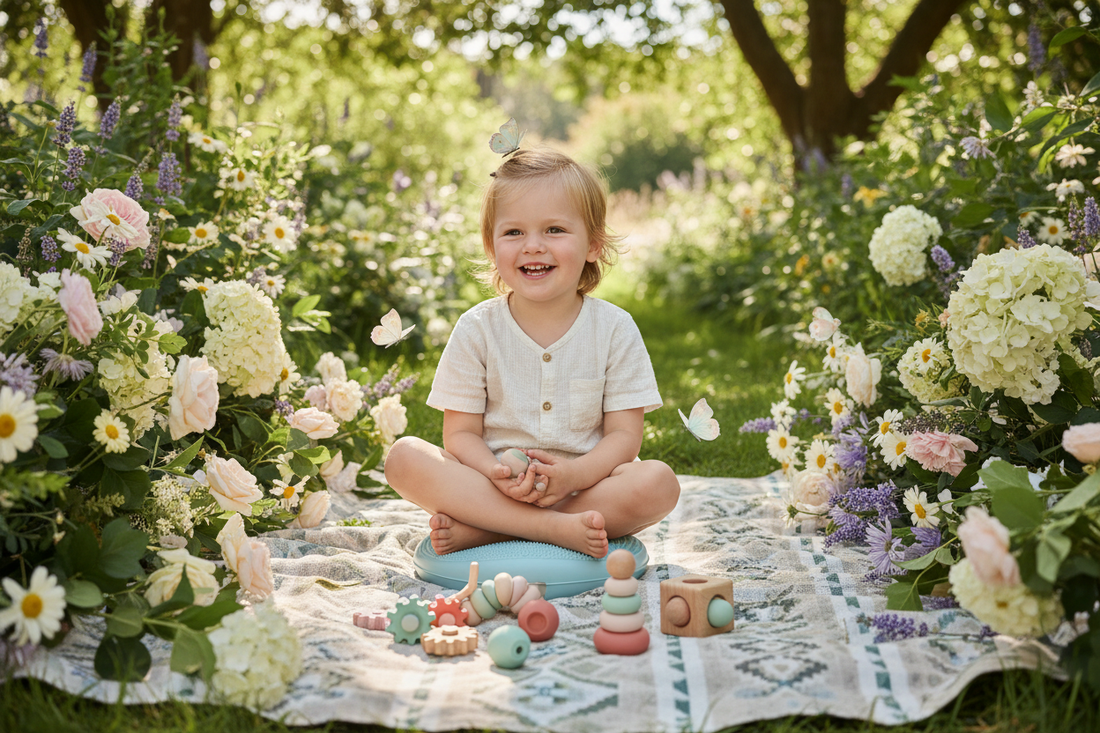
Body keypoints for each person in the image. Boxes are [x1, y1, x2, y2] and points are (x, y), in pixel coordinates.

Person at [384, 145, 680, 559]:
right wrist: (494, 470)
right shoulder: (476, 329)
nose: (533, 246)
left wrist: (574, 474)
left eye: (554, 230)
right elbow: (461, 435)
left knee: (659, 482)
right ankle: (548, 528)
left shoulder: (614, 329)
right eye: (514, 232)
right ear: (491, 246)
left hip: (587, 490)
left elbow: (624, 438)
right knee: (403, 457)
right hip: (491, 488)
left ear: (593, 245)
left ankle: (492, 531)